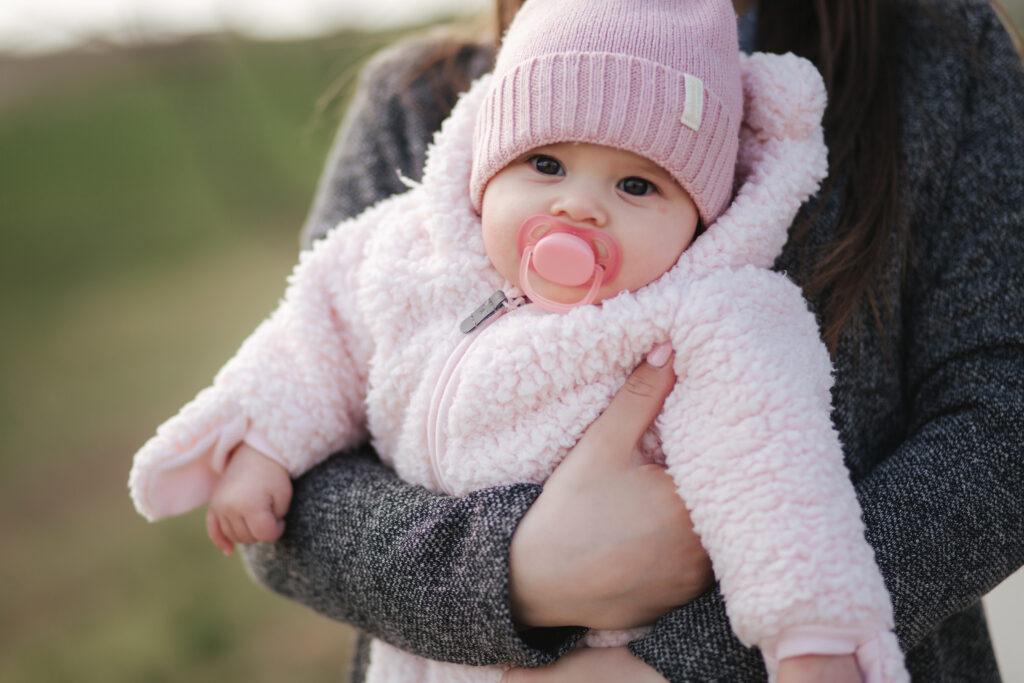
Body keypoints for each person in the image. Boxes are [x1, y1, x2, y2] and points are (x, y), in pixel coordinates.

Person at [141, 0, 1023, 680]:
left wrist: (698, 659)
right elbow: (309, 356)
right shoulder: (414, 144)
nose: (577, 207)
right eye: (546, 166)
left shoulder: (933, 63)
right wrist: (517, 567)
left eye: (638, 185)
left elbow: (979, 428)